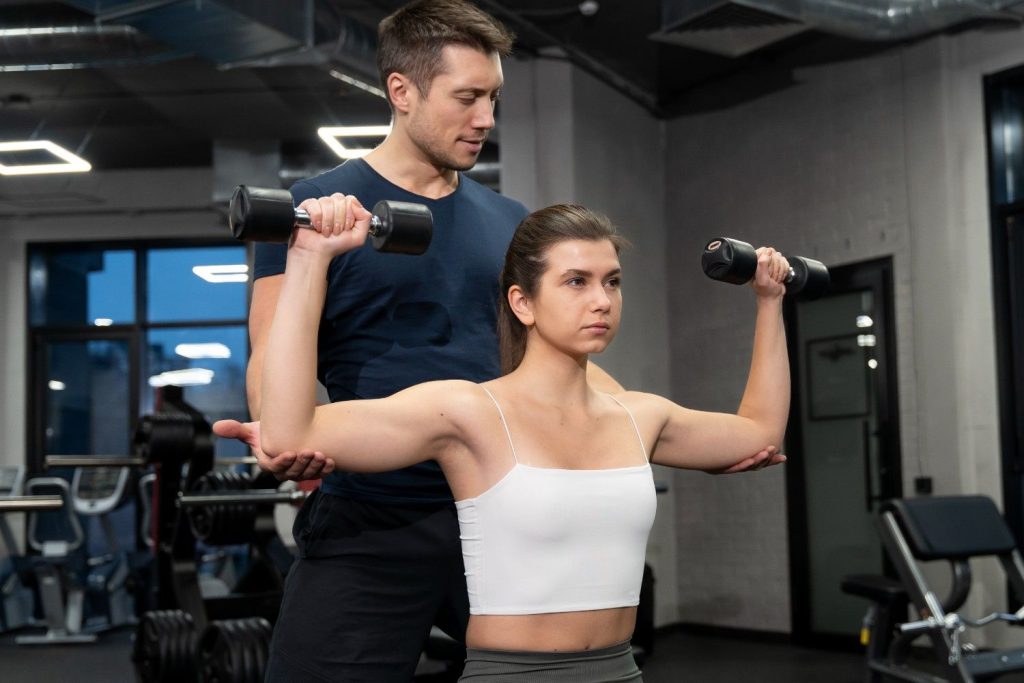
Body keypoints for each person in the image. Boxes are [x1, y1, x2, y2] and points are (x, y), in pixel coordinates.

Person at [213, 1, 782, 680]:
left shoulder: (508, 220)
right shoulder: (322, 207)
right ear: (402, 91)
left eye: (493, 97)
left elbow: (552, 363)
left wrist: (640, 429)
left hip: (500, 504)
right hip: (376, 511)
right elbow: (268, 356)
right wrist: (287, 442)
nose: (486, 117)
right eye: (466, 97)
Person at [255, 202, 791, 682]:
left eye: (613, 281)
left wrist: (769, 302)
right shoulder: (469, 412)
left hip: (621, 670)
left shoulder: (640, 416)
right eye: (576, 282)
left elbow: (759, 432)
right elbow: (291, 432)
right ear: (523, 302)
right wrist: (309, 259)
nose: (602, 300)